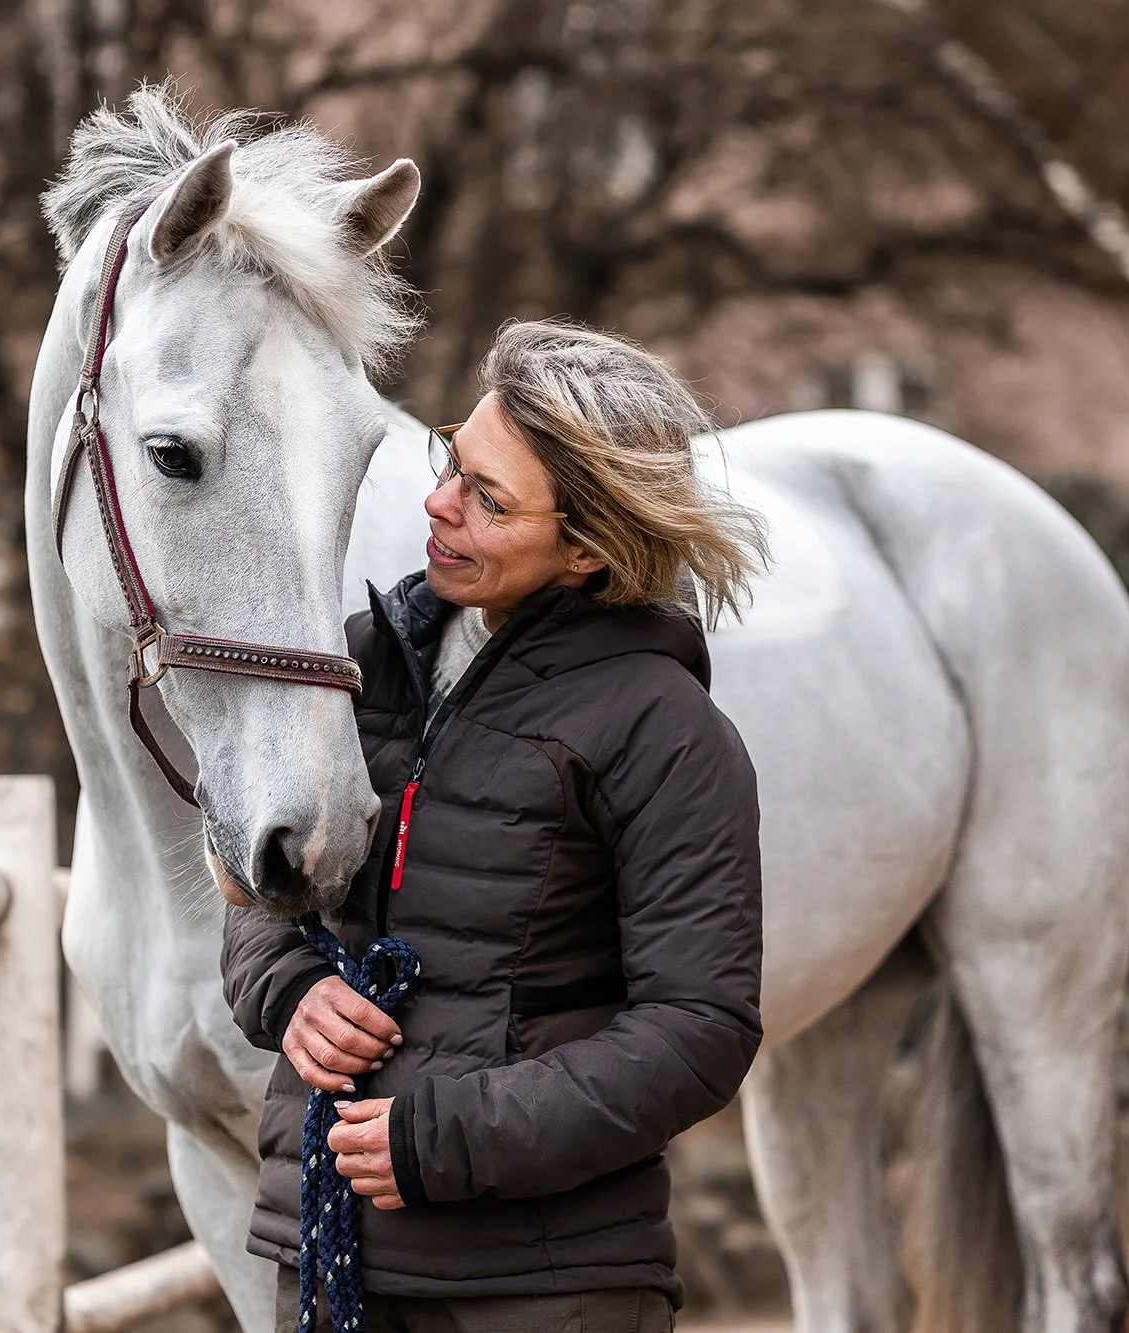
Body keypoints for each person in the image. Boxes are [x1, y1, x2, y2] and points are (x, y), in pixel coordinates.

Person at [221, 319, 768, 1333]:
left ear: (587, 552)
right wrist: (288, 988)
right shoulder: (356, 663)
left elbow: (699, 1029)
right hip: (329, 1251)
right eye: (451, 462)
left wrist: (443, 1139)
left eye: (488, 498)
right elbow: (263, 882)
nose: (437, 504)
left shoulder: (666, 730)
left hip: (543, 1285)